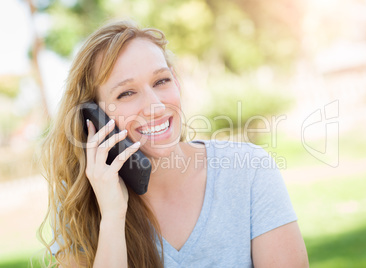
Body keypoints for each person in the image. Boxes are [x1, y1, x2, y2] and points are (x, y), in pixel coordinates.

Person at [38, 20, 308, 267]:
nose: (155, 105)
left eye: (161, 81)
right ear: (94, 117)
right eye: (127, 93)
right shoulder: (81, 209)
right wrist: (112, 216)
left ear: (176, 83)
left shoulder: (248, 171)